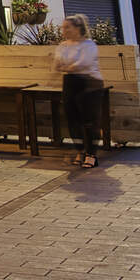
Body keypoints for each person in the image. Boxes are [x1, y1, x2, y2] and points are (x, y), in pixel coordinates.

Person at [51, 16, 104, 168]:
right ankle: (80, 150)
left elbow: (83, 64)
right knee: (72, 119)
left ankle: (91, 154)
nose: (64, 30)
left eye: (68, 27)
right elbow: (57, 65)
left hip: (89, 83)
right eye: (63, 27)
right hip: (70, 82)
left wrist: (68, 66)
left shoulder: (89, 45)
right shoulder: (63, 46)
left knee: (89, 120)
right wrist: (68, 67)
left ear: (78, 28)